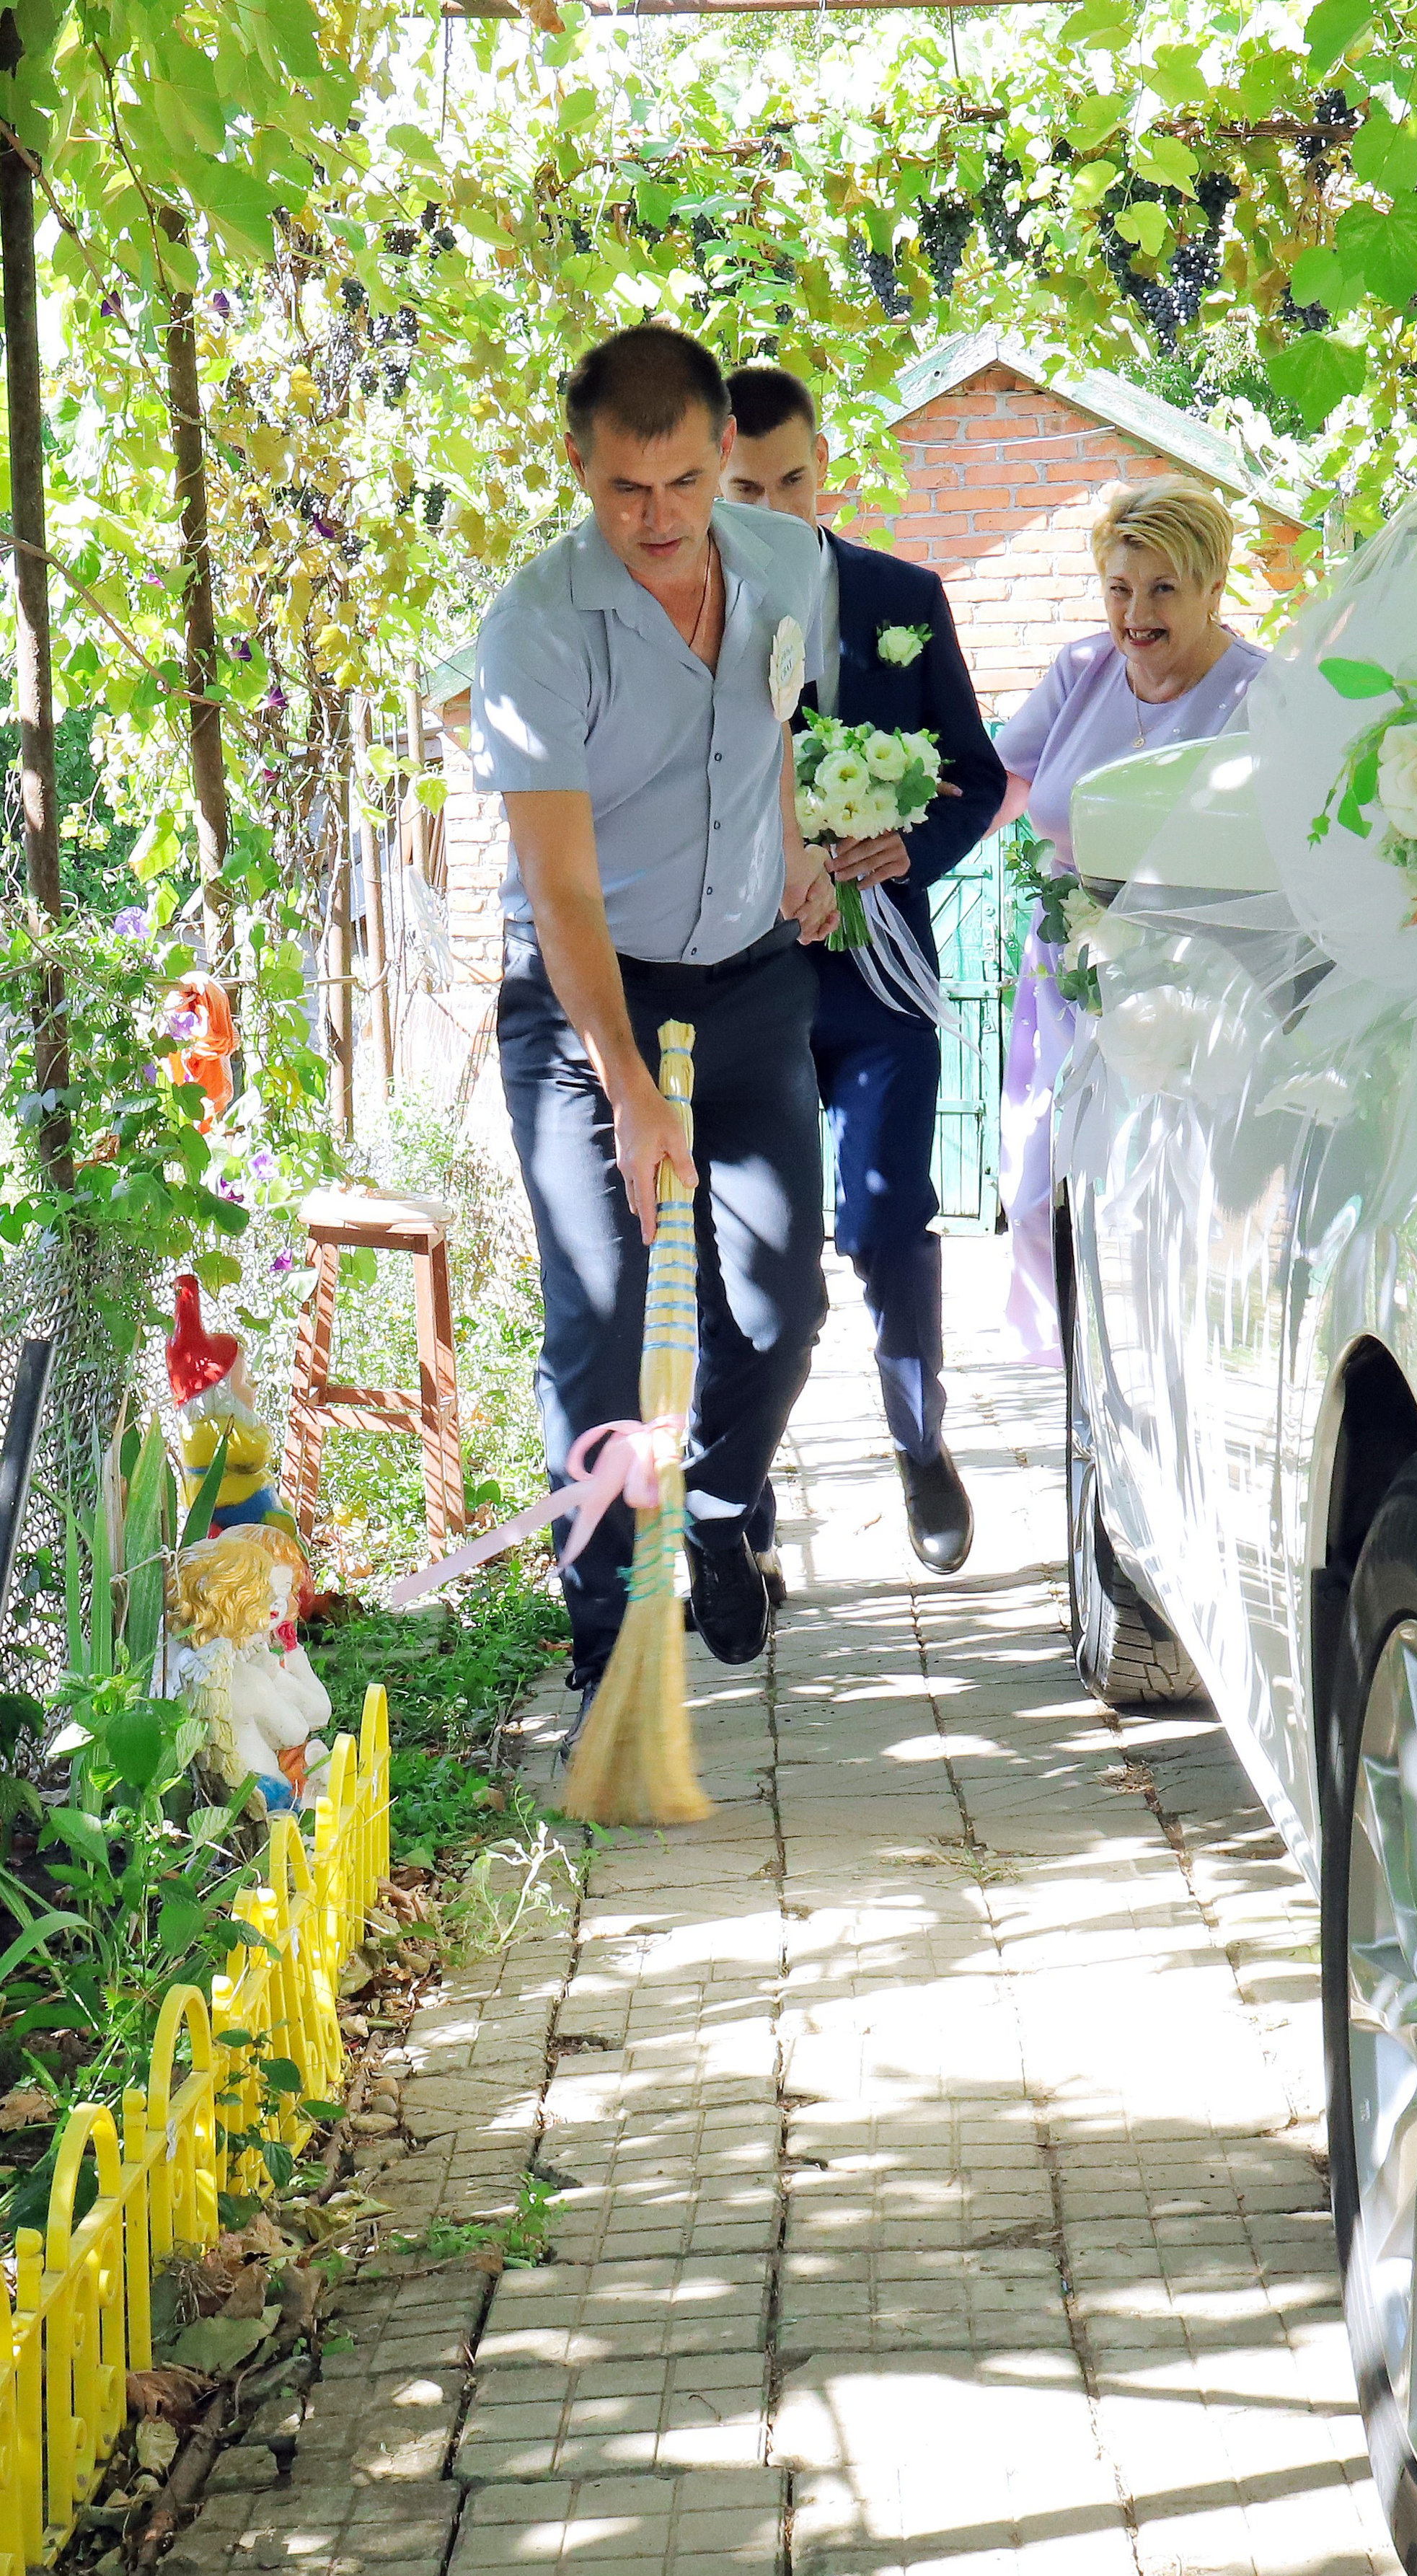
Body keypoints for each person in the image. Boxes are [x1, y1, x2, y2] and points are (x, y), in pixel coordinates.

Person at [471, 325, 837, 1739]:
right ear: (579, 467)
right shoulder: (535, 632)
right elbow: (558, 887)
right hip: (581, 994)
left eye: (685, 481)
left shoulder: (789, 567)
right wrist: (623, 1081)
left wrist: (800, 839)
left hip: (746, 975)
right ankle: (603, 1637)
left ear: (720, 460)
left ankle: (725, 1506)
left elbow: (785, 732)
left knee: (780, 1296)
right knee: (602, 1306)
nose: (659, 519)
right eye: (626, 490)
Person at [721, 364, 1008, 1573]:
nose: (778, 507)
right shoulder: (688, 615)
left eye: (795, 478)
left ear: (824, 463)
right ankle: (740, 1505)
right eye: (748, 488)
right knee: (751, 1253)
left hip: (884, 976)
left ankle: (919, 1435)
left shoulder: (904, 596)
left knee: (889, 1211)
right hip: (751, 978)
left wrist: (912, 840)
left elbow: (979, 777)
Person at [991, 479, 1266, 1362]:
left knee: (1162, 1206)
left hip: (1203, 986)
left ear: (1213, 587)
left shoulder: (1265, 696)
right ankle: (1084, 1391)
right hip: (1071, 977)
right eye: (1119, 588)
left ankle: (1166, 1388)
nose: (1135, 613)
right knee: (1038, 1198)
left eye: (1161, 590)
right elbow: (995, 787)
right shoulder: (1080, 673)